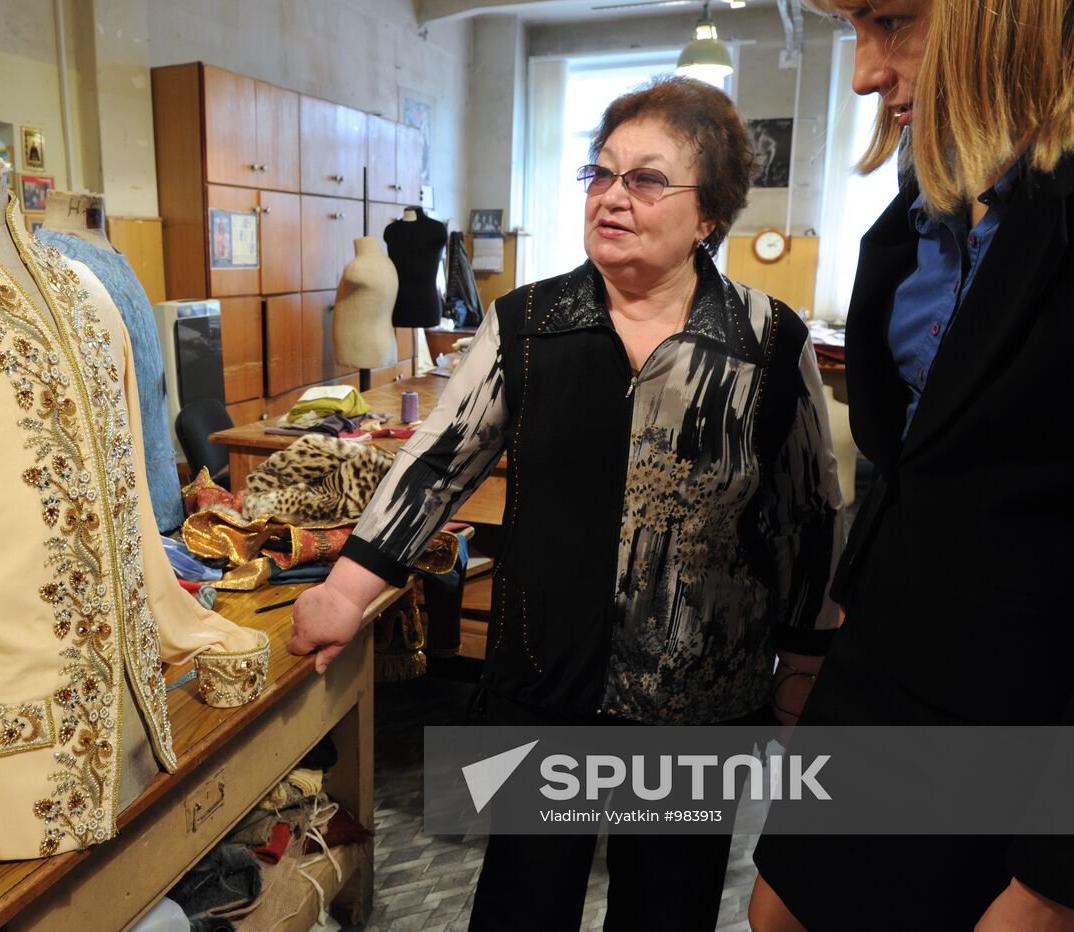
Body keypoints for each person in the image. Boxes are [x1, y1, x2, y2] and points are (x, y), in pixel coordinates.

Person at [292, 76, 843, 931]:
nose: (613, 197)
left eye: (647, 179)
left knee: (667, 908)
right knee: (521, 901)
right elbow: (439, 462)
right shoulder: (529, 323)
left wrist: (803, 663)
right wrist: (346, 590)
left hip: (697, 701)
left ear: (709, 217)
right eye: (602, 173)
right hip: (540, 679)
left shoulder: (766, 341)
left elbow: (807, 512)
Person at [749, 1, 1074, 929]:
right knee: (777, 911)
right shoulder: (927, 203)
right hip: (889, 667)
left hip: (1024, 716)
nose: (863, 72)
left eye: (892, 20)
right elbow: (913, 454)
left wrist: (1057, 879)